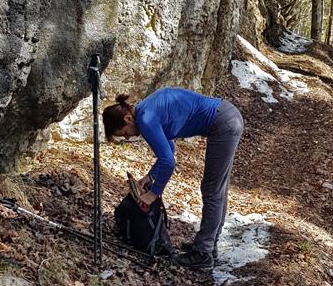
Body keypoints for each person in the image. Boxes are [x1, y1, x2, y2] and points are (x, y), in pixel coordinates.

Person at [102, 87, 244, 270]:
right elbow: (169, 150)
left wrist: (153, 194)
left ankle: (203, 253)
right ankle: (208, 244)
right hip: (226, 117)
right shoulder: (146, 110)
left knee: (212, 189)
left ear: (127, 119)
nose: (129, 137)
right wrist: (150, 176)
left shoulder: (146, 119)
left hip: (224, 123)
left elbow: (169, 163)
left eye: (126, 133)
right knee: (217, 189)